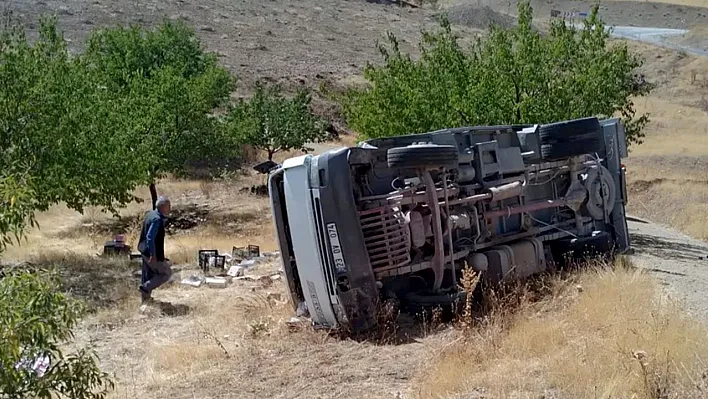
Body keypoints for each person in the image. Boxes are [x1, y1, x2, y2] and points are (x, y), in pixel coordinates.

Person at [137, 196, 172, 308]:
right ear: (163, 207)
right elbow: (150, 237)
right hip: (150, 253)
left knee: (148, 274)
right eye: (168, 206)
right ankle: (145, 288)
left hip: (143, 250)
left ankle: (145, 301)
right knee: (166, 273)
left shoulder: (150, 214)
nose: (169, 209)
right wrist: (153, 254)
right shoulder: (157, 219)